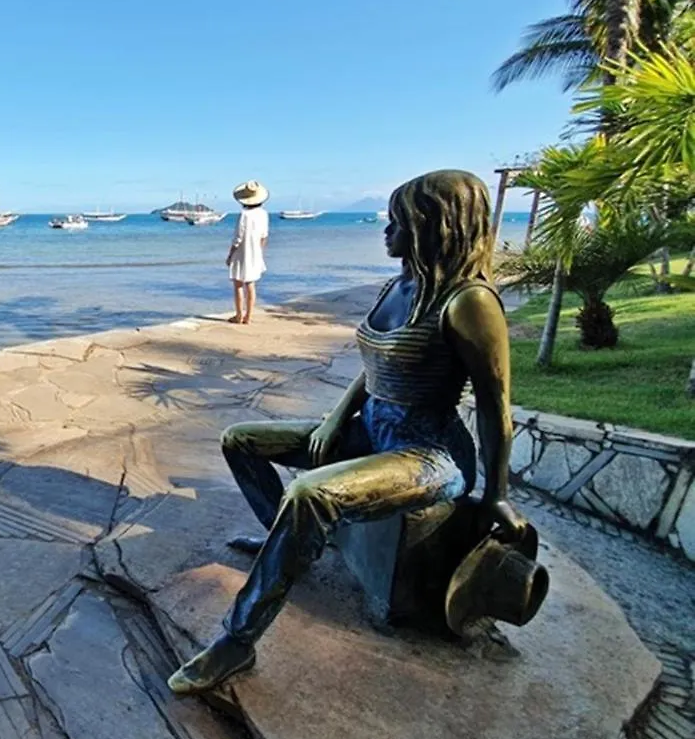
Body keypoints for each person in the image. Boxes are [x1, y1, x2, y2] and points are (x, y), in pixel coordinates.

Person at [168, 169, 528, 695]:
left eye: (397, 221)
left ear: (434, 226)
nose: (386, 231)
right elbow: (378, 363)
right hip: (373, 426)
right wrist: (338, 418)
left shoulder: (469, 303)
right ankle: (286, 542)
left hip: (427, 451)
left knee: (310, 493)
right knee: (240, 439)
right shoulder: (400, 284)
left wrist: (497, 496)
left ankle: (236, 640)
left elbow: (497, 409)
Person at [226, 181, 270, 324]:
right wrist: (260, 252)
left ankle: (239, 315)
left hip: (242, 252)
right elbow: (264, 235)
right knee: (250, 284)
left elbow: (238, 237)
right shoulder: (263, 214)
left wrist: (230, 255)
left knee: (238, 284)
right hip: (255, 251)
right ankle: (248, 317)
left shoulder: (244, 215)